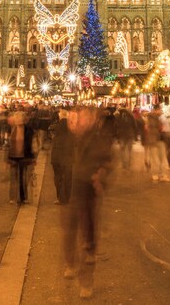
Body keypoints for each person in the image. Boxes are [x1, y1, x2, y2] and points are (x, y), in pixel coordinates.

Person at [62, 106, 113, 299]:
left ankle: (86, 282)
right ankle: (70, 263)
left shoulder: (98, 139)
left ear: (91, 120)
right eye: (77, 119)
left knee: (87, 238)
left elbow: (107, 161)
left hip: (88, 190)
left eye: (84, 119)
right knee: (69, 230)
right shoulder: (69, 137)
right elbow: (59, 157)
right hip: (71, 190)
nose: (80, 122)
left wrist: (99, 175)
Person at [7, 111, 36, 203]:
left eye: (19, 118)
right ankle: (12, 198)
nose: (17, 120)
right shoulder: (12, 129)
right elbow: (8, 144)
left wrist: (33, 157)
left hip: (25, 157)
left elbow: (33, 144)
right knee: (13, 178)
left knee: (23, 179)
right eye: (16, 118)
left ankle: (23, 198)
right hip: (13, 156)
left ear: (24, 119)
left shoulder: (29, 130)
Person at [51, 110, 74, 204]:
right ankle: (67, 197)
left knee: (58, 177)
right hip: (68, 155)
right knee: (68, 177)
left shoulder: (56, 126)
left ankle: (61, 198)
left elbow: (51, 130)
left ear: (60, 116)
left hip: (57, 155)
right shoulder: (72, 127)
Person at [142, 109, 168, 182]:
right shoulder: (158, 120)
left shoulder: (148, 121)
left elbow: (146, 131)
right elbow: (161, 129)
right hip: (160, 140)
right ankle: (161, 174)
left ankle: (156, 174)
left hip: (152, 141)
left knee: (155, 159)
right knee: (161, 158)